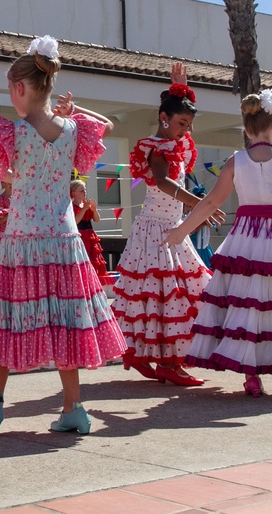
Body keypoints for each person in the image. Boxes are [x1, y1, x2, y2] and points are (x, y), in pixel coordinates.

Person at [0, 35, 125, 435]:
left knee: (5, 320)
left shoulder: (11, 133)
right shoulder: (73, 131)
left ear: (18, 89)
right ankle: (74, 407)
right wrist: (74, 108)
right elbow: (107, 126)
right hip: (64, 243)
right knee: (67, 323)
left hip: (21, 241)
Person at [166, 89, 272, 398]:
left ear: (246, 129)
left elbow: (210, 202)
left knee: (250, 304)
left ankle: (251, 376)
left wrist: (181, 230)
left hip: (246, 237)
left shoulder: (236, 160)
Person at [112, 64, 222, 386]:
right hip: (156, 232)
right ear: (164, 119)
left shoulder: (177, 145)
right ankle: (167, 364)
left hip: (172, 228)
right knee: (163, 297)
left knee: (177, 296)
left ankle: (157, 360)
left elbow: (184, 144)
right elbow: (162, 182)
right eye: (180, 123)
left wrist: (182, 89)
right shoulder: (154, 148)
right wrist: (197, 204)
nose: (184, 130)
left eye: (187, 124)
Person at [70, 179, 111, 284]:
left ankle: (94, 281)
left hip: (90, 236)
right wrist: (83, 209)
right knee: (83, 258)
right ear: (74, 192)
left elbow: (97, 220)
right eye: (81, 190)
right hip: (80, 236)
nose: (85, 192)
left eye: (85, 190)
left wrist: (94, 209)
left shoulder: (87, 205)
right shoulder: (71, 206)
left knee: (94, 258)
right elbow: (75, 221)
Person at [189, 185, 215, 269]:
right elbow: (192, 230)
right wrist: (203, 222)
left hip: (204, 244)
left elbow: (211, 224)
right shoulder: (193, 214)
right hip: (195, 244)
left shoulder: (208, 214)